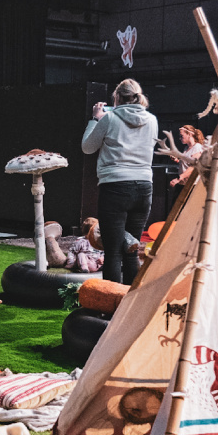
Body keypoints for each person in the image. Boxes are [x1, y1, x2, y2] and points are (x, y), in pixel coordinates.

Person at [81, 79, 158, 284]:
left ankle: (111, 301)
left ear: (117, 97)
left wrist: (95, 119)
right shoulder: (152, 120)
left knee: (113, 251)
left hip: (115, 186)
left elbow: (88, 147)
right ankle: (130, 301)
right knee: (131, 249)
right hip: (144, 186)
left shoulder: (110, 118)